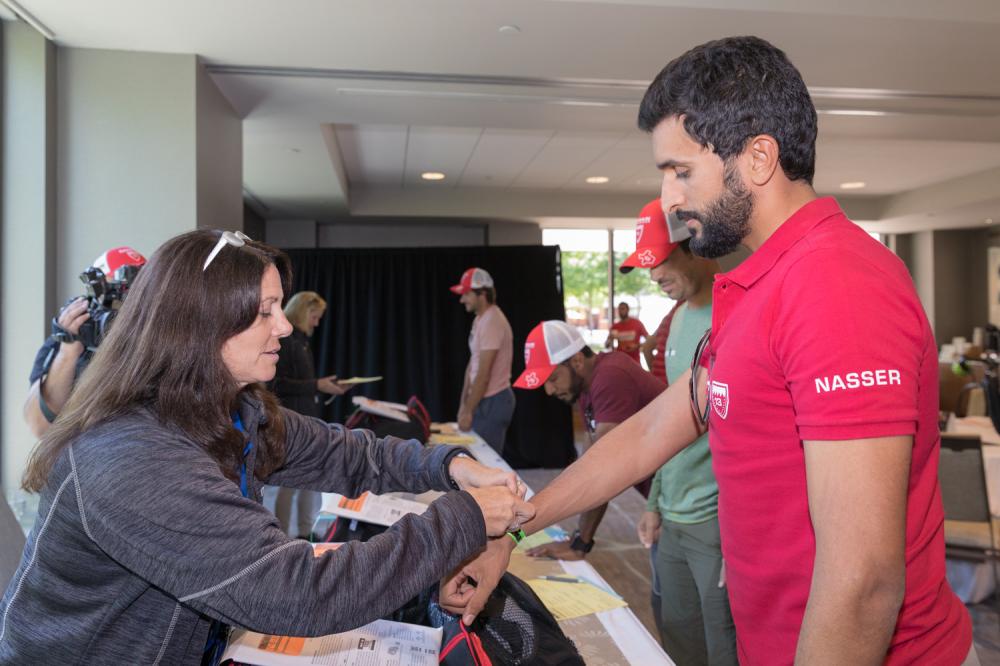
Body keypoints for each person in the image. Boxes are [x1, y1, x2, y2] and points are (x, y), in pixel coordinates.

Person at [440, 36, 974, 666]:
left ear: (757, 158)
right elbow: (650, 432)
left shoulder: (836, 285)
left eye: (681, 171)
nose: (669, 199)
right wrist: (517, 524)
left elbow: (863, 581)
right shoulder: (758, 286)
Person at [0, 230, 533, 665]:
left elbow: (348, 454)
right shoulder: (133, 457)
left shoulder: (234, 409)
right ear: (199, 325)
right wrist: (461, 517)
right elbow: (300, 594)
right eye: (264, 310)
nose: (282, 326)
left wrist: (452, 467)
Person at [620, 199, 734, 665]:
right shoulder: (680, 317)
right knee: (678, 635)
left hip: (718, 524)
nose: (654, 277)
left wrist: (740, 533)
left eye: (660, 261)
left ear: (696, 245)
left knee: (723, 643)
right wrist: (653, 504)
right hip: (673, 517)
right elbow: (671, 424)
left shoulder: (734, 314)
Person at [512, 320, 663, 562]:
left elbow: (602, 471)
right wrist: (579, 539)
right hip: (664, 496)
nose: (549, 391)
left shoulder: (610, 377)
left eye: (552, 378)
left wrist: (578, 544)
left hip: (686, 498)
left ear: (577, 362)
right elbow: (588, 462)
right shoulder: (587, 385)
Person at [23, 247, 146, 438]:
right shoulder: (70, 337)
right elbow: (39, 425)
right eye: (113, 304)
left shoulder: (156, 341)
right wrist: (69, 351)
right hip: (82, 457)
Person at [271, 291, 348, 539]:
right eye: (315, 316)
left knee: (309, 483)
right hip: (289, 421)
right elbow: (277, 385)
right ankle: (280, 537)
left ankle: (305, 534)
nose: (317, 322)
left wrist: (324, 386)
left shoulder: (302, 341)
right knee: (289, 484)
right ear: (303, 312)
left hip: (306, 418)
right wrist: (317, 385)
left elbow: (305, 382)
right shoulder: (285, 342)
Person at [451, 267, 515, 454]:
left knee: (484, 463)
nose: (462, 299)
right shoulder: (480, 320)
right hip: (483, 399)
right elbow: (473, 365)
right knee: (476, 459)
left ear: (482, 294)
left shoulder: (492, 321)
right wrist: (464, 404)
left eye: (466, 294)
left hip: (494, 399)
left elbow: (484, 373)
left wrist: (468, 410)